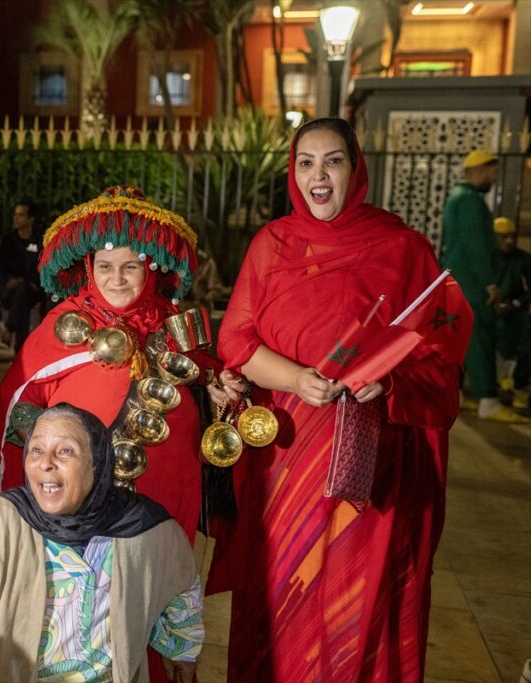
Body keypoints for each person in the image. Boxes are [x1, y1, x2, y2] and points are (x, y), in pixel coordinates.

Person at [210, 117, 473, 682]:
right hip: (285, 457)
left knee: (355, 603)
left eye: (333, 161)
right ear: (293, 172)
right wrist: (294, 379)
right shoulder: (272, 244)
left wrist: (391, 382)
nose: (319, 175)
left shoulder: (403, 249)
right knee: (281, 590)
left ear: (355, 169)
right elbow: (235, 340)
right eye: (306, 162)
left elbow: (439, 357)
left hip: (373, 464)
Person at [0, 185, 230, 682]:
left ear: (152, 269)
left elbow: (213, 384)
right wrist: (52, 459)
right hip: (79, 508)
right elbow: (17, 405)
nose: (117, 278)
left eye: (130, 266)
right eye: (105, 266)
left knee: (155, 599)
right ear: (88, 268)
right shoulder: (61, 328)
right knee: (85, 628)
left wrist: (223, 391)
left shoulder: (177, 325)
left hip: (166, 498)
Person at [0, 405, 203, 683]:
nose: (45, 463)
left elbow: (182, 582)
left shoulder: (145, 528)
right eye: (36, 450)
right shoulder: (2, 522)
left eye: (65, 451)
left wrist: (181, 648)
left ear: (97, 463)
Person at [442, 150, 525, 422]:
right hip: (472, 284)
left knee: (459, 342)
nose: (494, 178)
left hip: (458, 281)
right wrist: (490, 282)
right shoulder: (470, 201)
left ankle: (456, 395)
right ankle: (488, 400)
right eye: (492, 172)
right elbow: (476, 245)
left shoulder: (457, 197)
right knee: (480, 340)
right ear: (478, 171)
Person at [492, 217, 530, 409]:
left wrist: (516, 303)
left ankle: (516, 388)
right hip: (490, 312)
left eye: (512, 236)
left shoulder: (523, 259)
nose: (509, 241)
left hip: (515, 314)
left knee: (518, 351)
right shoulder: (487, 258)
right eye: (503, 237)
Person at [0, 199, 43, 352]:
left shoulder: (39, 241)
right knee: (22, 297)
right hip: (9, 291)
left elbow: (42, 268)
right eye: (15, 214)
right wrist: (9, 280)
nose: (16, 218)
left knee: (23, 293)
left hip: (32, 289)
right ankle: (19, 351)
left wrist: (26, 281)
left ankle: (9, 331)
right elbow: (0, 268)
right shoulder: (7, 241)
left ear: (31, 219)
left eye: (21, 215)